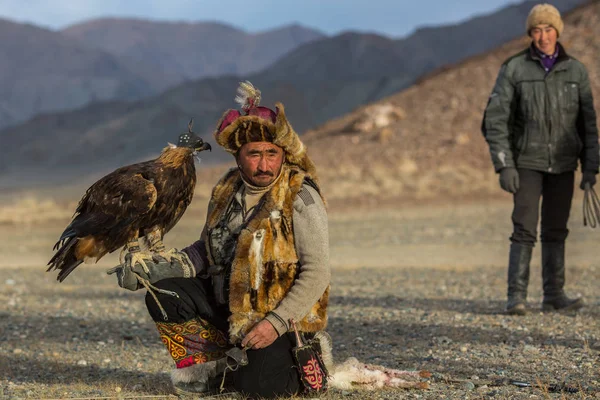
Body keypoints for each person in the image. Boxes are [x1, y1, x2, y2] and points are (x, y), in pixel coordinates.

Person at [110, 81, 330, 398]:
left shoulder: (300, 197)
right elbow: (207, 249)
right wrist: (163, 268)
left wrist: (275, 324)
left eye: (272, 153)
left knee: (261, 389)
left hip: (277, 317)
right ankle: (210, 370)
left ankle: (303, 355)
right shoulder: (226, 190)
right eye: (254, 154)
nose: (265, 164)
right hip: (228, 308)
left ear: (284, 153)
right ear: (238, 156)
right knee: (165, 293)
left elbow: (318, 271)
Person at [481, 3, 598, 315]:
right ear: (530, 34)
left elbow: (587, 124)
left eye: (548, 29)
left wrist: (590, 166)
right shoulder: (514, 68)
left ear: (557, 31)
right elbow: (495, 120)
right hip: (527, 163)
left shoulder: (575, 71)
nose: (543, 36)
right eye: (537, 30)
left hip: (563, 164)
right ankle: (516, 297)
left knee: (556, 230)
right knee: (524, 230)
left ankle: (554, 295)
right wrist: (504, 164)